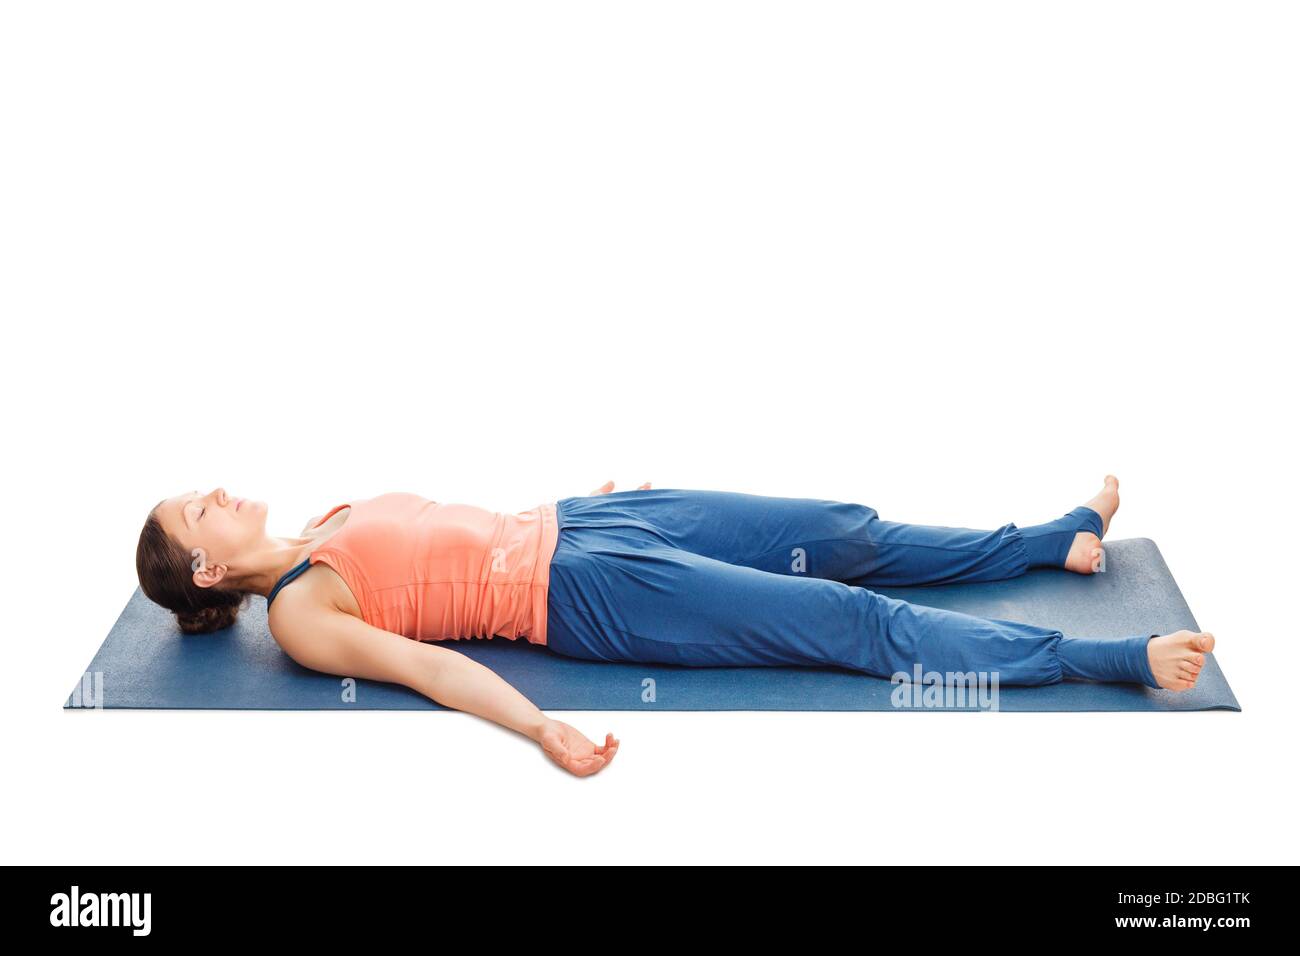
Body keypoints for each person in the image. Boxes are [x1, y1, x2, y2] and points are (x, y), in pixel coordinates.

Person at [135, 476, 1215, 777]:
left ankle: (1045, 541)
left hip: (593, 520)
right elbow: (425, 663)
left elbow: (450, 527)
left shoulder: (327, 516)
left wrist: (584, 495)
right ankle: (1109, 658)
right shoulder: (304, 612)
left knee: (837, 529)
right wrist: (539, 729)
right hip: (587, 598)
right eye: (199, 508)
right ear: (210, 566)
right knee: (847, 620)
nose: (219, 488)